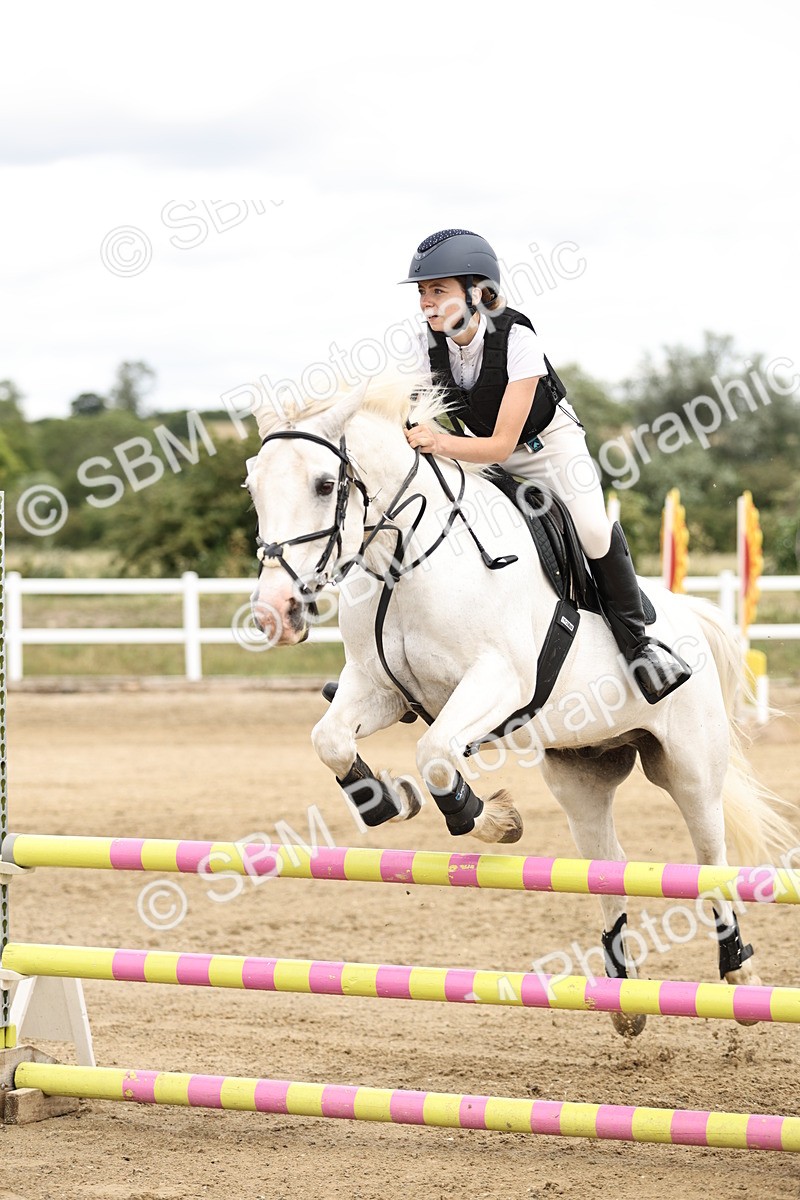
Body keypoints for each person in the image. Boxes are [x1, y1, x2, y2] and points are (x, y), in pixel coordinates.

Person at [401, 228, 691, 704]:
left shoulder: (516, 337)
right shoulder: (423, 344)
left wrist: (437, 440)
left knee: (593, 530)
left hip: (548, 446)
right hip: (475, 447)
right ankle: (408, 670)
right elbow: (410, 413)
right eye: (422, 292)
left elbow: (502, 446)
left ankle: (640, 647)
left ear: (477, 292)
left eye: (438, 290)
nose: (426, 303)